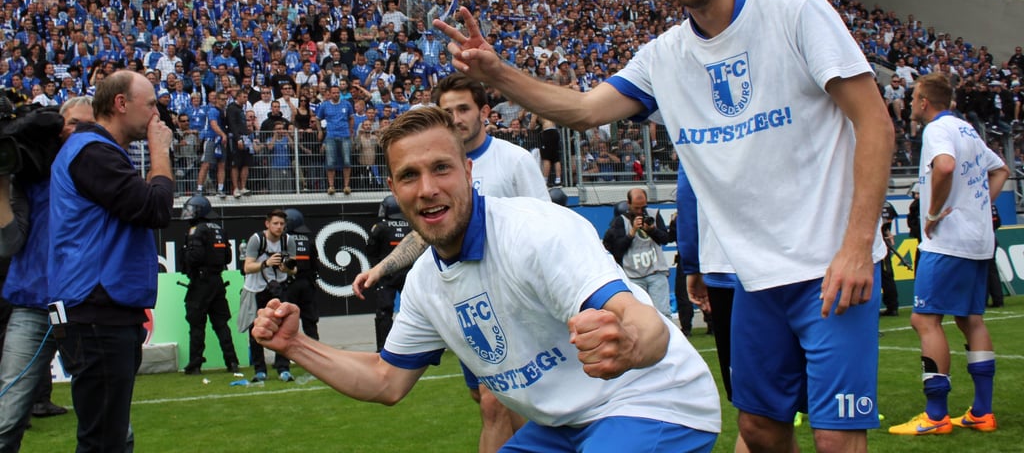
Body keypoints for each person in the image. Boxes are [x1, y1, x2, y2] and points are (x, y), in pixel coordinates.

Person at [433, 0, 894, 451]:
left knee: (836, 439)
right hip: (750, 279)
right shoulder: (661, 57)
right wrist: (496, 71)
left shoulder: (796, 10)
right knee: (759, 430)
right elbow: (582, 110)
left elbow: (875, 124)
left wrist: (855, 246)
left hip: (829, 264)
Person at [252, 107, 721, 452]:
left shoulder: (534, 232)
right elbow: (385, 380)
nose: (429, 188)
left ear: (468, 171)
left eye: (441, 168)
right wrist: (296, 346)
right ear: (393, 189)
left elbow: (642, 320)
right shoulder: (424, 285)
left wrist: (634, 343)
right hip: (565, 427)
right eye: (409, 176)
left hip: (650, 399)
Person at [352, 74, 550, 453]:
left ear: (483, 113)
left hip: (521, 305)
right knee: (491, 403)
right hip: (470, 303)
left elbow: (543, 223)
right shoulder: (431, 170)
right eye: (447, 111)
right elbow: (421, 235)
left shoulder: (515, 160)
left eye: (464, 109)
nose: (456, 117)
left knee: (510, 400)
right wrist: (382, 268)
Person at [48, 70, 174, 452]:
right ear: (121, 104)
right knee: (103, 440)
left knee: (113, 436)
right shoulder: (92, 151)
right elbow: (155, 208)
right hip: (97, 308)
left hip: (103, 307)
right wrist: (159, 152)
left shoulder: (97, 150)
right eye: (150, 104)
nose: (157, 114)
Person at [889, 72, 1010, 436]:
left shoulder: (937, 130)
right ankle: (981, 412)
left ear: (925, 101)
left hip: (948, 241)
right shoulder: (967, 130)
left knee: (925, 320)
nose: (911, 103)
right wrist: (977, 207)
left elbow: (944, 166)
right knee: (970, 319)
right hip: (977, 240)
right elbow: (1001, 169)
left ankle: (936, 414)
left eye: (913, 98)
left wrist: (932, 213)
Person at [0, 98, 92, 450]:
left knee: (105, 413)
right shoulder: (32, 177)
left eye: (87, 124)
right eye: (70, 123)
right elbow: (9, 242)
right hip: (32, 302)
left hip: (85, 304)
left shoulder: (102, 176)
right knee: (8, 414)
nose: (77, 131)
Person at [180, 195, 241, 375]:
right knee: (221, 324)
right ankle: (232, 362)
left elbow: (195, 256)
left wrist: (186, 257)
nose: (189, 214)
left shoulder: (196, 230)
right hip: (218, 281)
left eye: (191, 210)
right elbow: (228, 258)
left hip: (201, 282)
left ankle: (195, 364)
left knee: (197, 323)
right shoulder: (220, 230)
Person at [239, 209, 298, 382]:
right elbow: (247, 267)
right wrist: (266, 263)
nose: (279, 227)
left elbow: (294, 268)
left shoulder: (288, 240)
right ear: (267, 224)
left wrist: (285, 268)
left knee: (283, 328)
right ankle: (260, 370)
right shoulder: (257, 240)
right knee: (256, 329)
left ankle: (283, 368)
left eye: (282, 224)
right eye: (275, 223)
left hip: (279, 288)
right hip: (256, 289)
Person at [602, 188, 674, 318]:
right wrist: (632, 232)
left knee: (663, 313)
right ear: (628, 204)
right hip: (633, 275)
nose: (641, 211)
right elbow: (617, 249)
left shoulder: (654, 214)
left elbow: (665, 239)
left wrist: (652, 230)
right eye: (637, 208)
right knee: (639, 316)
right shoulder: (621, 221)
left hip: (656, 271)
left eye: (643, 207)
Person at [364, 195, 411, 351]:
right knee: (413, 310)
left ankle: (384, 348)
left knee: (384, 312)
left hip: (386, 275)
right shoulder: (410, 226)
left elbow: (370, 249)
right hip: (408, 274)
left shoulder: (380, 227)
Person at [282, 208, 320, 340]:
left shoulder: (283, 240)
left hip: (289, 284)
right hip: (307, 284)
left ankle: (283, 360)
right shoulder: (309, 239)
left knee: (286, 321)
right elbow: (315, 264)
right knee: (310, 322)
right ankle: (316, 354)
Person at [315, 85, 355, 195]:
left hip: (345, 135)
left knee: (347, 161)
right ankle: (331, 186)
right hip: (331, 136)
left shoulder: (346, 104)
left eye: (338, 92)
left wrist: (351, 130)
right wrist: (320, 131)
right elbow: (317, 119)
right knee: (330, 162)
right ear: (329, 93)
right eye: (334, 93)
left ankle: (346, 186)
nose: (336, 94)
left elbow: (351, 118)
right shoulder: (325, 105)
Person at [879, 201, 900, 317]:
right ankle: (892, 306)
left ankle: (892, 307)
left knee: (886, 276)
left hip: (877, 246)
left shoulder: (880, 205)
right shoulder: (886, 205)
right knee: (886, 275)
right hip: (882, 245)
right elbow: (887, 227)